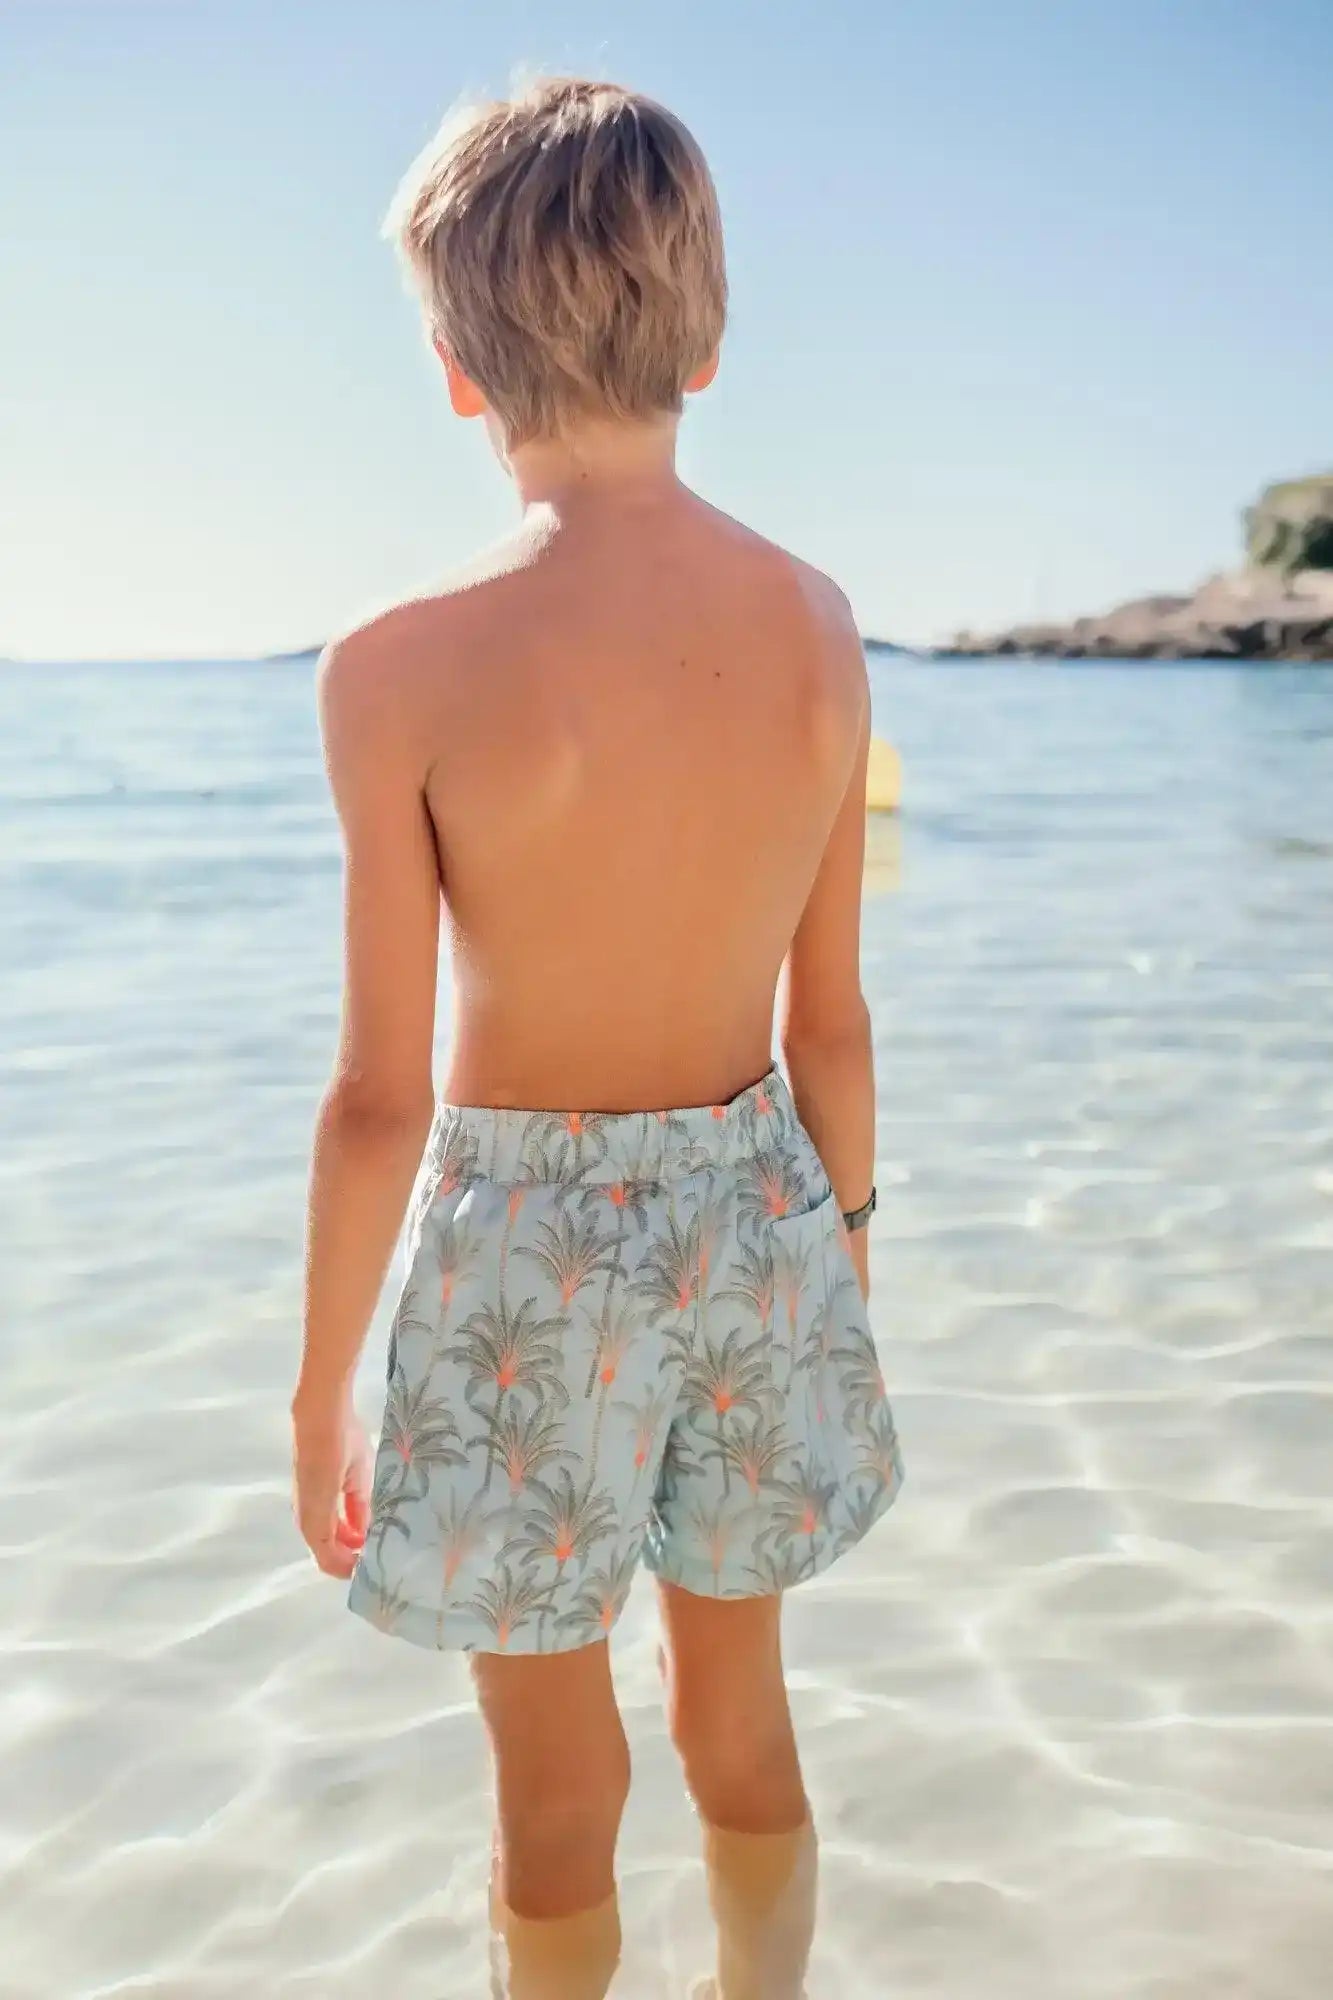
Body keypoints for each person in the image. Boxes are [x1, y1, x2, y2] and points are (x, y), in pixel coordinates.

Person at [291, 76, 903, 1997]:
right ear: (706, 340)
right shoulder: (816, 626)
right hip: (763, 1221)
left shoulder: (395, 666)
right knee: (741, 1718)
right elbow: (832, 1019)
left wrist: (318, 1388)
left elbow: (378, 1097)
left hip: (517, 1260)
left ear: (454, 371)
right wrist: (845, 1260)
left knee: (552, 1786)